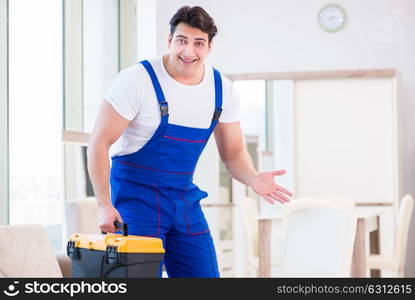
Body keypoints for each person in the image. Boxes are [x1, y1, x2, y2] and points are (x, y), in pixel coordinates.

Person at [87, 5, 292, 278]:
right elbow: (99, 143)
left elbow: (233, 152)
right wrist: (104, 204)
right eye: (182, 41)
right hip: (136, 201)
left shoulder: (222, 89)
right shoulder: (137, 80)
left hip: (184, 201)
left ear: (209, 47)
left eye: (198, 43)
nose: (188, 51)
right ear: (170, 40)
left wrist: (253, 178)